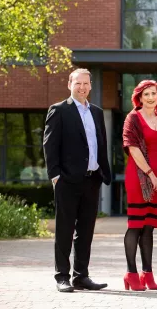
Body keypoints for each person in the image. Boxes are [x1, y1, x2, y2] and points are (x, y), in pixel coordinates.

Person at [43, 68, 111, 292]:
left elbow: (101, 145)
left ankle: (81, 276)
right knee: (64, 230)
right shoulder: (59, 110)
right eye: (77, 83)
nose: (82, 87)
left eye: (86, 83)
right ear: (69, 84)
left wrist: (103, 172)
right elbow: (49, 146)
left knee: (86, 232)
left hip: (92, 180)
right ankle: (62, 277)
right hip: (67, 182)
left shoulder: (97, 112)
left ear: (91, 85)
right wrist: (55, 176)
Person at [122, 80, 157, 291]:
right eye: (146, 94)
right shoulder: (133, 118)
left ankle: (148, 275)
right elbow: (133, 149)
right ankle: (131, 274)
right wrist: (152, 175)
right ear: (139, 97)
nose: (151, 97)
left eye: (154, 94)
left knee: (149, 227)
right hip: (138, 177)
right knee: (136, 225)